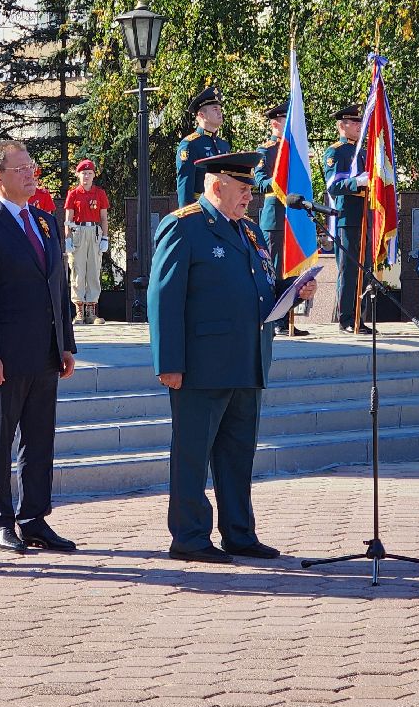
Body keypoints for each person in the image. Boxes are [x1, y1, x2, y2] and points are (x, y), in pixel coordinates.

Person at [148, 152, 318, 563]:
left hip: (247, 358)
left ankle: (239, 533)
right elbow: (162, 297)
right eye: (242, 189)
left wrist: (291, 289)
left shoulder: (250, 232)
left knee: (238, 454)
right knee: (192, 454)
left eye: (250, 191)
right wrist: (168, 362)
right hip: (201, 364)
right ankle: (189, 537)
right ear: (216, 185)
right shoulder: (184, 226)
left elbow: (257, 286)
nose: (249, 197)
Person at [0, 139, 79, 555]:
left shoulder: (45, 221)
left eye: (32, 166)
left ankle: (34, 519)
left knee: (39, 439)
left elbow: (58, 289)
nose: (31, 174)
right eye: (21, 169)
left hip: (45, 352)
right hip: (4, 357)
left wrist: (66, 343)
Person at [253, 101, 308, 337]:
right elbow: (260, 182)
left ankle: (288, 318)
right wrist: (279, 180)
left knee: (292, 270)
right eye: (286, 120)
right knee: (274, 270)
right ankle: (275, 318)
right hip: (274, 216)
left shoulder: (295, 150)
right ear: (275, 122)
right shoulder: (265, 150)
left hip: (293, 216)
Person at [323, 105, 371, 334]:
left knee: (365, 268)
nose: (360, 126)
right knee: (349, 271)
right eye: (355, 123)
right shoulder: (335, 152)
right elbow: (333, 186)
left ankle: (360, 318)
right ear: (342, 126)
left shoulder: (364, 151)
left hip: (364, 216)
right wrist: (357, 183)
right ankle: (346, 319)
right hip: (347, 218)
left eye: (360, 123)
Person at [64, 159, 110, 326]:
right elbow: (68, 219)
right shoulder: (73, 194)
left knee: (93, 269)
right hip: (78, 231)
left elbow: (104, 218)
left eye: (89, 173)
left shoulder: (100, 194)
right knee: (77, 270)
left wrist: (105, 237)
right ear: (78, 175)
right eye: (83, 173)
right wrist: (68, 239)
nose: (86, 176)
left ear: (94, 175)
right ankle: (79, 311)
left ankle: (91, 311)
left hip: (94, 231)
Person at [175, 85, 229, 207]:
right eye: (215, 109)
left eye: (220, 109)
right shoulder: (190, 144)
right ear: (202, 115)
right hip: (202, 208)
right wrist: (188, 218)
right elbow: (185, 186)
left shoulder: (224, 145)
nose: (220, 113)